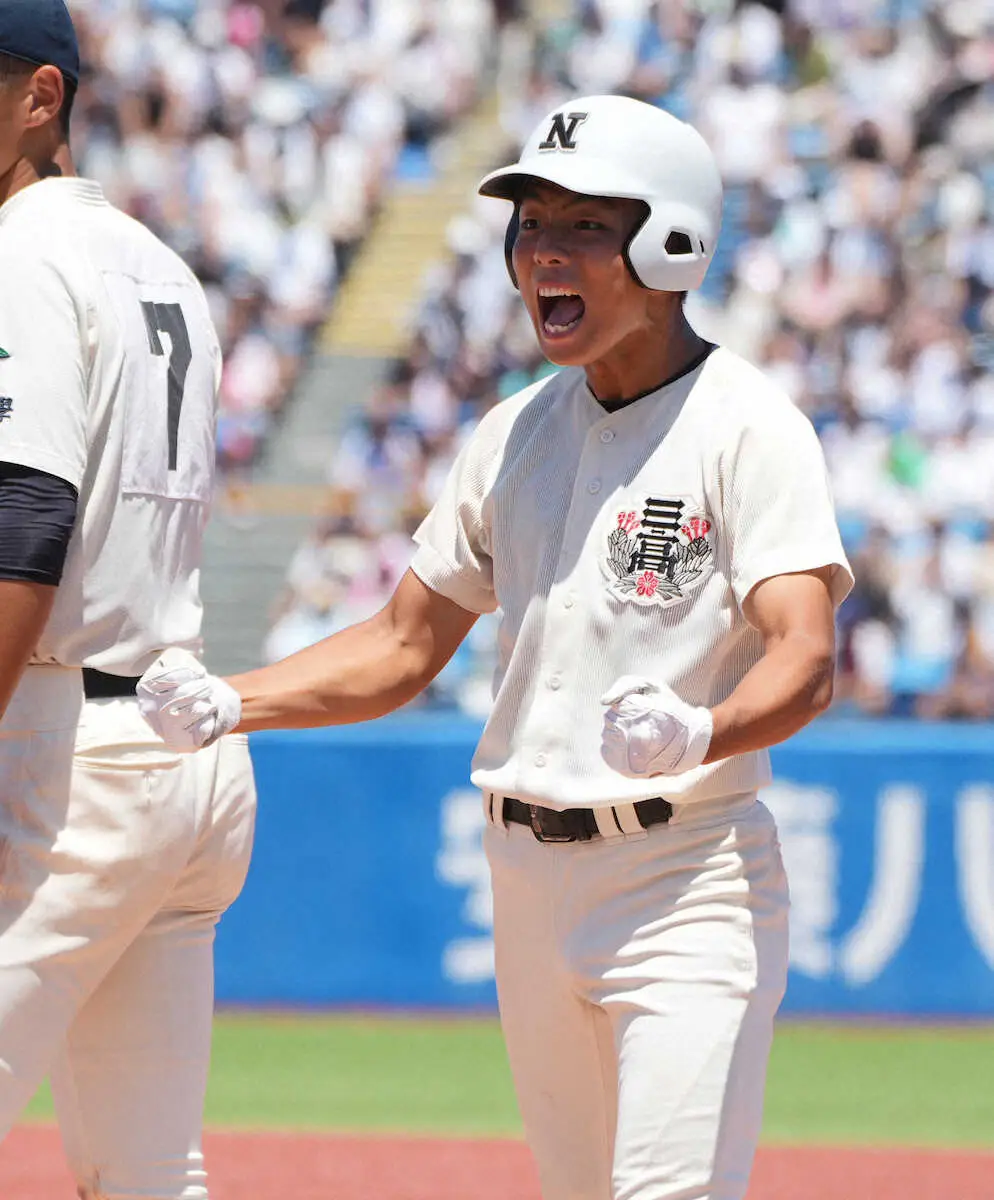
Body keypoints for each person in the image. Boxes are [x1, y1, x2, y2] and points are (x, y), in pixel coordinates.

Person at [139, 94, 853, 1200]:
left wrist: (704, 728)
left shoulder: (749, 425)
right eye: (529, 225)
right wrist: (233, 699)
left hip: (685, 876)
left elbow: (804, 653)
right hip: (523, 881)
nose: (539, 256)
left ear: (670, 243)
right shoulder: (511, 432)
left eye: (579, 227)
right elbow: (399, 643)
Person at [0, 3, 255, 1196]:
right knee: (149, 1174)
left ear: (39, 97)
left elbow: (27, 521)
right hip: (176, 741)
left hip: (67, 761)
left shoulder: (19, 254)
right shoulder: (162, 265)